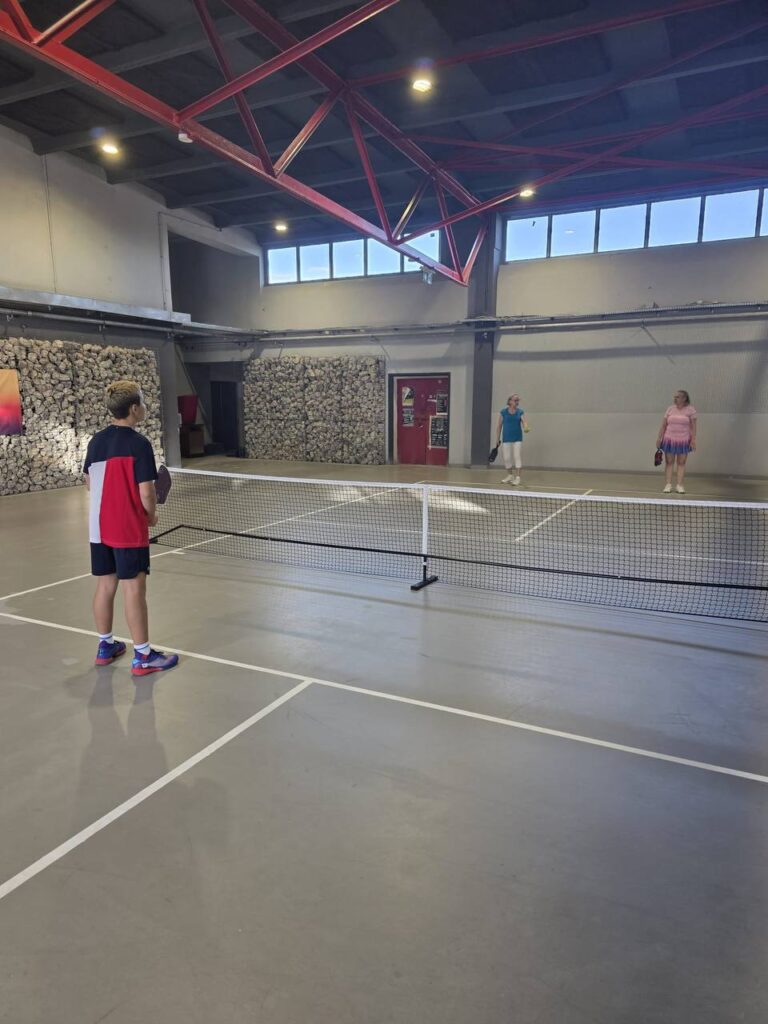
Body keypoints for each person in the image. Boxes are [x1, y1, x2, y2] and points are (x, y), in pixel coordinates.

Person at [83, 380, 179, 677]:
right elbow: (147, 492)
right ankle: (143, 656)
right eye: (143, 402)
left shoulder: (96, 442)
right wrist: (150, 516)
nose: (145, 407)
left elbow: (88, 482)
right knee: (134, 589)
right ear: (134, 408)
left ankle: (105, 646)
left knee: (105, 585)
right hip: (126, 527)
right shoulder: (139, 444)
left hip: (98, 527)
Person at [656, 389, 697, 494]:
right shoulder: (670, 409)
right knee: (669, 462)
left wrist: (693, 440)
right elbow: (664, 425)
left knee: (681, 463)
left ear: (684, 398)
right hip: (669, 439)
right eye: (675, 397)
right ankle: (668, 485)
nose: (675, 398)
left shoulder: (691, 410)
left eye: (677, 397)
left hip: (684, 440)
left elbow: (693, 427)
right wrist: (659, 438)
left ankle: (680, 485)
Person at [495, 394, 529, 485]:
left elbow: (524, 421)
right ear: (510, 401)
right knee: (506, 458)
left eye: (518, 400)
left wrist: (526, 426)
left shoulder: (520, 412)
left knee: (517, 456)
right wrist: (497, 439)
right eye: (515, 400)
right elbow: (499, 426)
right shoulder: (503, 412)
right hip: (506, 438)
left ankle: (518, 478)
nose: (517, 402)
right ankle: (510, 475)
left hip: (517, 438)